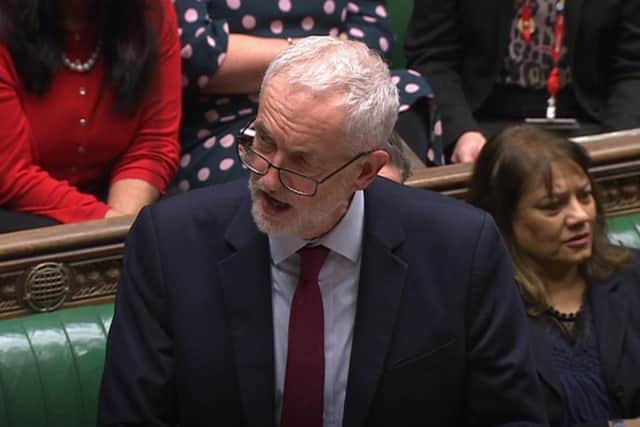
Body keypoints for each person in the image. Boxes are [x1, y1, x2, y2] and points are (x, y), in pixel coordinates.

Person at [98, 37, 546, 426]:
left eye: (303, 164)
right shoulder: (169, 245)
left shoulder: (460, 249)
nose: (269, 179)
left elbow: (512, 417)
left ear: (366, 172)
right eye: (264, 143)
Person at [172, 0, 444, 193]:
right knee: (293, 171)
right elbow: (196, 55)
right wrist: (318, 53)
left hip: (336, 101)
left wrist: (316, 72)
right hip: (230, 122)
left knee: (409, 91)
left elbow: (374, 39)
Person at [468, 125, 640, 427]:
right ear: (505, 218)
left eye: (585, 196)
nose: (580, 216)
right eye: (552, 206)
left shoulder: (632, 275)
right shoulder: (481, 308)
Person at [0, 0, 181, 233]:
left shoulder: (150, 11)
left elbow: (152, 143)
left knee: (179, 227)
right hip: (16, 209)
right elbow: (10, 173)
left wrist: (125, 228)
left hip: (117, 201)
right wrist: (112, 231)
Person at [405, 0, 640, 164]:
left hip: (593, 122)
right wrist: (461, 133)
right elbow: (432, 57)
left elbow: (632, 67)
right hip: (482, 124)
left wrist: (616, 142)